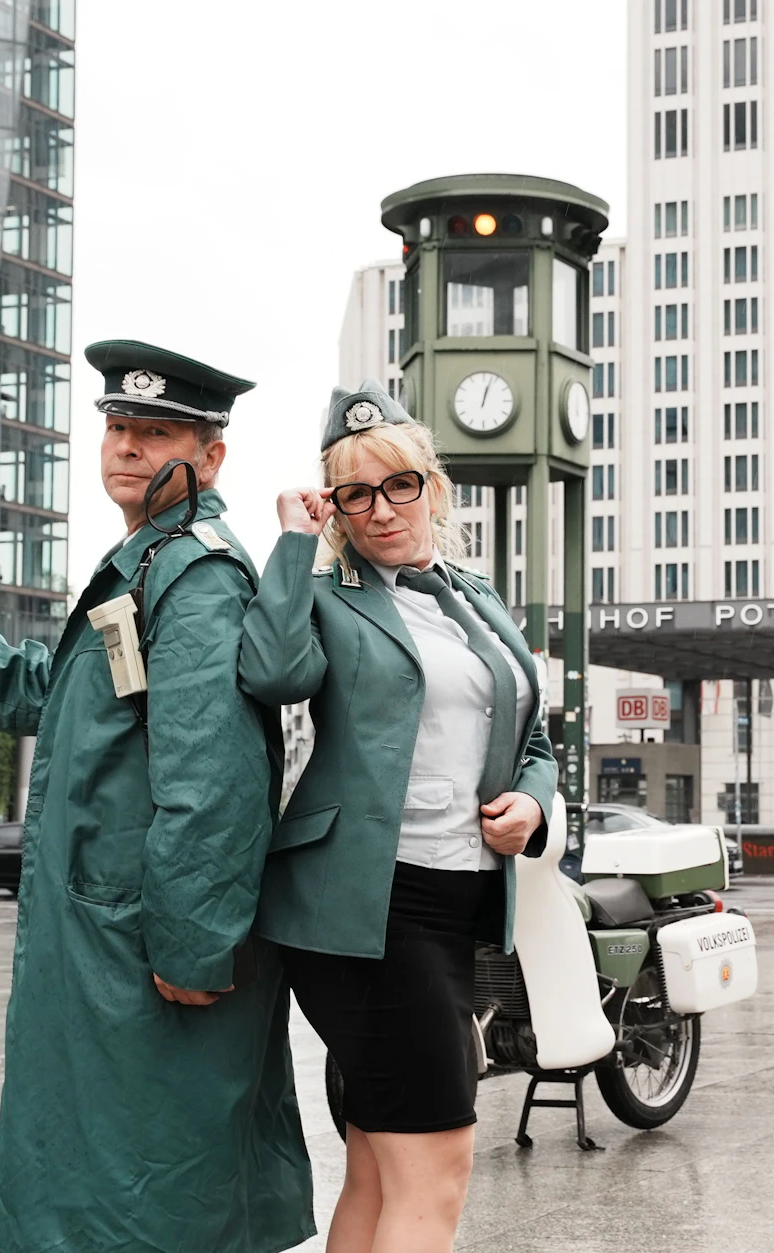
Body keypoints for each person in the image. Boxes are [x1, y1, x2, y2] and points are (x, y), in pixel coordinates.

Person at [0, 340, 314, 1253]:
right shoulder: (146, 564)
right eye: (117, 428)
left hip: (143, 954)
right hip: (108, 945)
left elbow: (211, 778)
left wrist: (191, 948)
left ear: (212, 454)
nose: (128, 448)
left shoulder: (192, 581)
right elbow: (54, 693)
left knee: (147, 1201)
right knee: (114, 1190)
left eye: (157, 432)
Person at [242, 381, 558, 1253]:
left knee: (381, 1169)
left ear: (432, 484)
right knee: (440, 1165)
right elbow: (271, 674)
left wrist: (532, 800)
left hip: (455, 902)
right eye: (355, 493)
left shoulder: (478, 598)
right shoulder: (328, 591)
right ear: (334, 504)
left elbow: (534, 734)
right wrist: (291, 546)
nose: (380, 509)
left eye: (398, 485)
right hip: (362, 907)